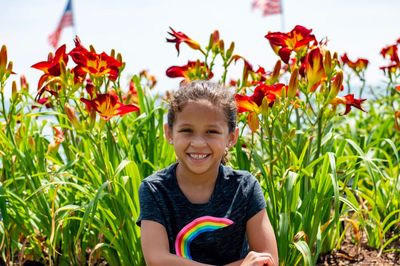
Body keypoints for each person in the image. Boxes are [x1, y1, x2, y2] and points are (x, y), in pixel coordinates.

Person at [137, 80, 278, 265]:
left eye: (211, 131)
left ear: (232, 137)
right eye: (187, 130)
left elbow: (268, 260)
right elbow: (157, 260)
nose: (198, 143)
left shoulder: (245, 188)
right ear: (169, 133)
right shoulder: (155, 190)